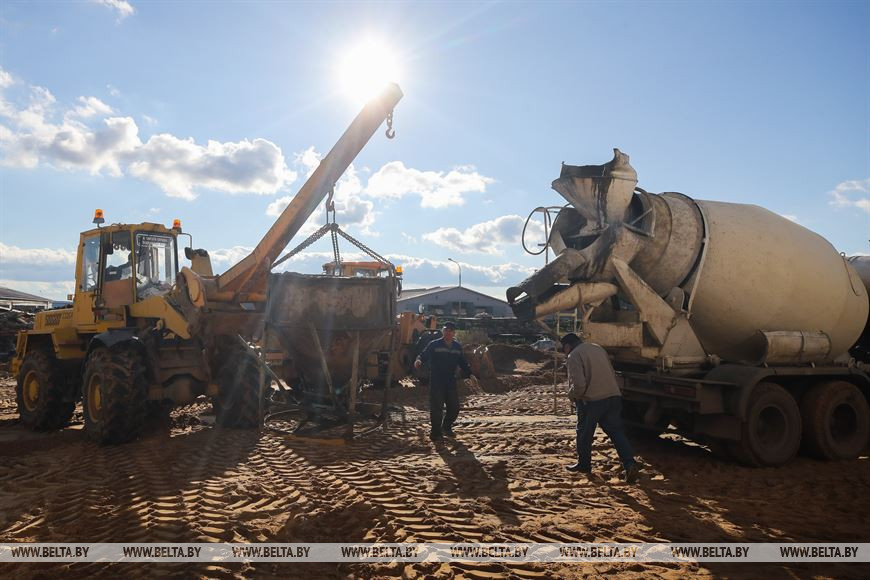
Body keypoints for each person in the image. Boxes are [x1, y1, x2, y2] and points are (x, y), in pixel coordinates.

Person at [561, 332, 640, 483]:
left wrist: (572, 396)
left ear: (567, 346)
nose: (564, 352)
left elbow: (579, 385)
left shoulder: (574, 355)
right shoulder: (597, 348)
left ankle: (584, 465)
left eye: (563, 349)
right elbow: (611, 372)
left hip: (592, 401)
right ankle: (630, 464)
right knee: (616, 432)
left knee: (584, 434)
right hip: (613, 397)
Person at [414, 321, 473, 441]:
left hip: (450, 380)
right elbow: (423, 354)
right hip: (437, 380)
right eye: (446, 330)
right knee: (437, 408)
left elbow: (463, 362)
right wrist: (418, 360)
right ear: (442, 331)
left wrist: (470, 374)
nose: (448, 332)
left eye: (450, 331)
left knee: (454, 408)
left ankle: (446, 427)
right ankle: (435, 433)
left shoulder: (457, 346)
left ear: (454, 333)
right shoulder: (434, 344)